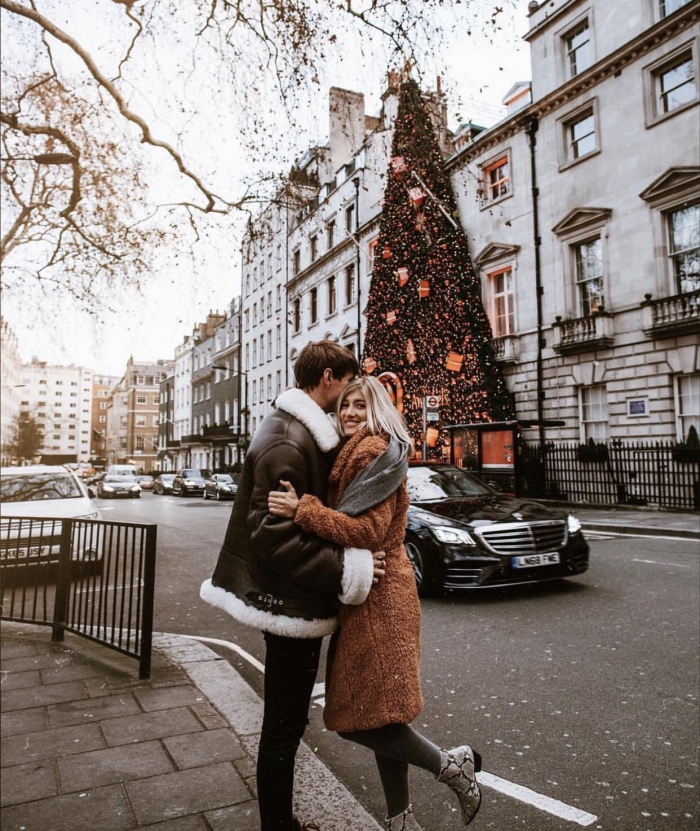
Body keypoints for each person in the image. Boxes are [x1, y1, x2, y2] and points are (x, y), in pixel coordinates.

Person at [268, 376, 482, 831]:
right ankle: (400, 821)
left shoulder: (369, 452)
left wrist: (302, 510)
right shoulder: (357, 452)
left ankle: (451, 766)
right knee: (384, 712)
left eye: (360, 406)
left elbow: (365, 532)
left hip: (382, 601)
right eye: (345, 405)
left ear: (377, 410)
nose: (349, 413)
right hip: (370, 595)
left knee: (358, 719)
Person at [200, 341, 385, 831]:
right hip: (288, 607)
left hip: (293, 602)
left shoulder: (298, 431)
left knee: (287, 723)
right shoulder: (287, 438)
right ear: (327, 377)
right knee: (283, 727)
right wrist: (350, 571)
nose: (349, 394)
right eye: (346, 384)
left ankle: (279, 822)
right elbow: (272, 535)